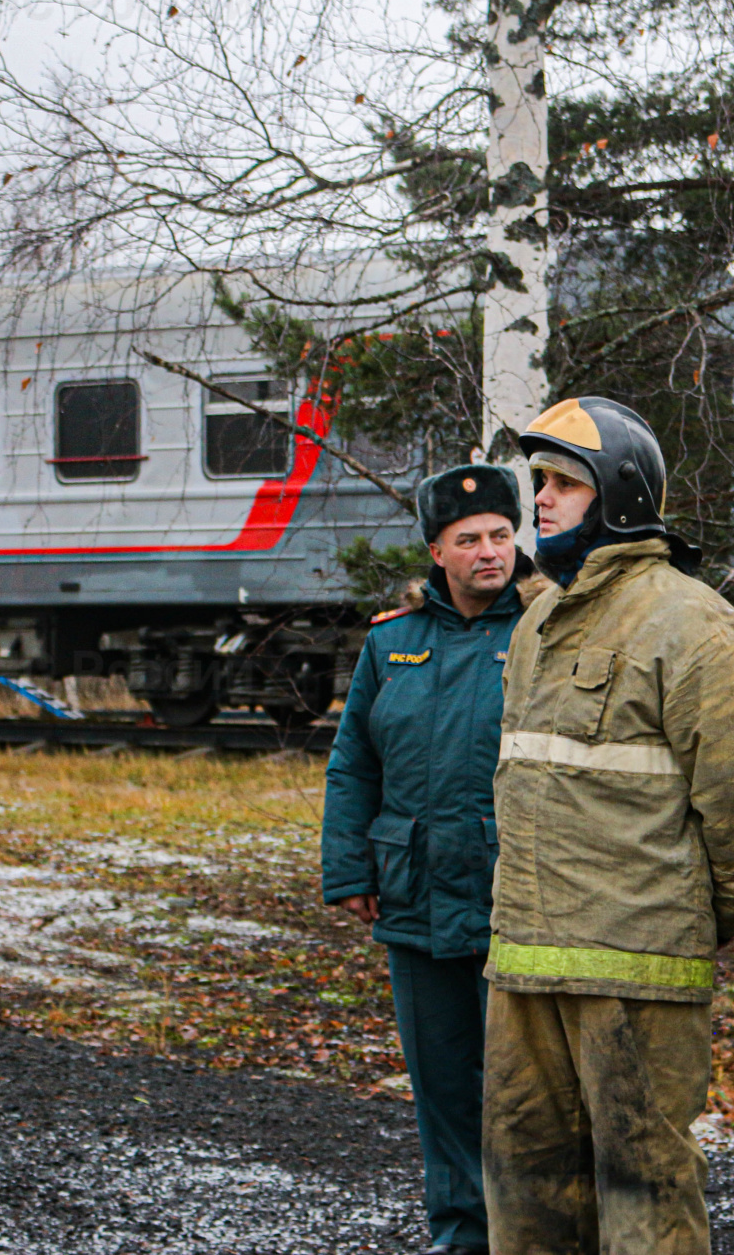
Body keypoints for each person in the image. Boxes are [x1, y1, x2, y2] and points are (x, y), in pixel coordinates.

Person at [478, 397, 734, 1255]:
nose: (540, 500)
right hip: (523, 966)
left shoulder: (692, 623)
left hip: (638, 975)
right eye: (539, 481)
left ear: (620, 495)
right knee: (528, 1198)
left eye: (563, 483)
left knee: (644, 1197)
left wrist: (699, 911)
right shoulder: (536, 623)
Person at [321, 463, 540, 1255]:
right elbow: (353, 764)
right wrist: (349, 870)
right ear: (437, 551)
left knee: (521, 1094)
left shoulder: (545, 632)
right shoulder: (393, 642)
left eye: (502, 536)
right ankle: (461, 1235)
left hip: (514, 898)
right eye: (469, 539)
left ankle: (528, 1235)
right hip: (413, 899)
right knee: (443, 1088)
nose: (490, 552)